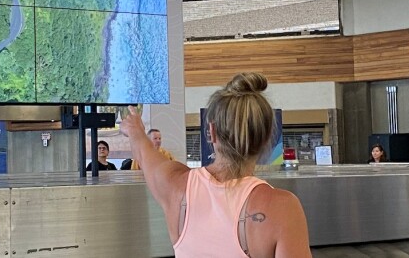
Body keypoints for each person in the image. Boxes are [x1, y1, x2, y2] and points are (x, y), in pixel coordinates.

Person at [121, 73, 311, 257]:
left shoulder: (175, 185)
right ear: (266, 136)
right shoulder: (283, 208)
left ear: (211, 131)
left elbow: (144, 153)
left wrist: (135, 128)